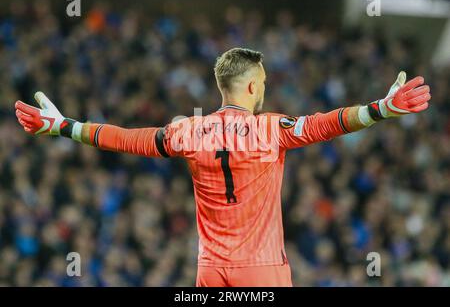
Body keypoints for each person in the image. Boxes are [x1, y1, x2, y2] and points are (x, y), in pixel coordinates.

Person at [14, 48, 431, 287]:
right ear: (252, 86)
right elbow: (329, 123)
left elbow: (125, 138)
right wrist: (380, 109)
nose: (265, 89)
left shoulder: (187, 132)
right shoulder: (272, 130)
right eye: (263, 82)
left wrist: (65, 126)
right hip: (262, 272)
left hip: (211, 272)